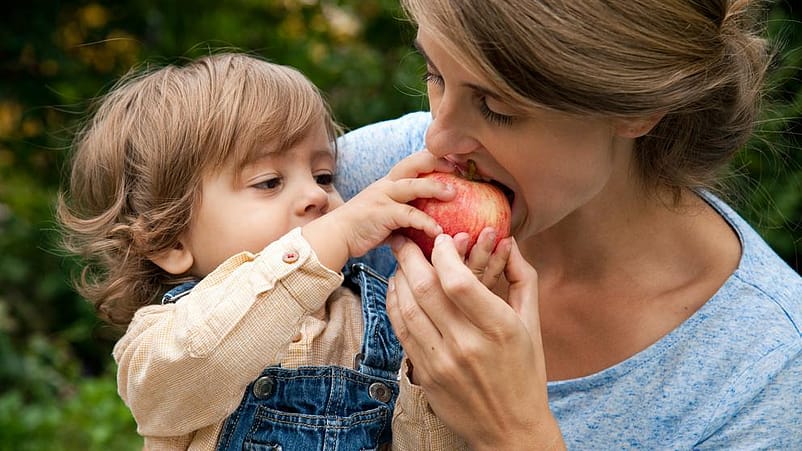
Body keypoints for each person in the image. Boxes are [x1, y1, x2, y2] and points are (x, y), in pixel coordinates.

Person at [334, 0, 802, 449]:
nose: (438, 136)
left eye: (498, 108)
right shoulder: (369, 191)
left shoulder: (764, 371)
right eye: (434, 74)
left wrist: (514, 433)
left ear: (635, 109)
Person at [56, 52, 509, 450]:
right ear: (169, 240)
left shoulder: (383, 318)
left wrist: (436, 352)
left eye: (325, 177)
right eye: (269, 182)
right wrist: (324, 245)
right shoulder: (165, 335)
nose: (316, 196)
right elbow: (192, 369)